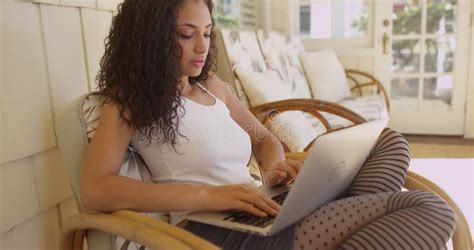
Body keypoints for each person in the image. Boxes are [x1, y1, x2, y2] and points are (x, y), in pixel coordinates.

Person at [81, 0, 457, 249]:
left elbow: (263, 139)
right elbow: (96, 188)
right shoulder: (130, 99)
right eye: (186, 34)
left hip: (260, 205)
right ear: (150, 38)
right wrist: (207, 196)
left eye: (208, 33)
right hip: (211, 232)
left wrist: (275, 167)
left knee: (389, 141)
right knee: (433, 211)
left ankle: (344, 212)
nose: (202, 47)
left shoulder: (214, 87)